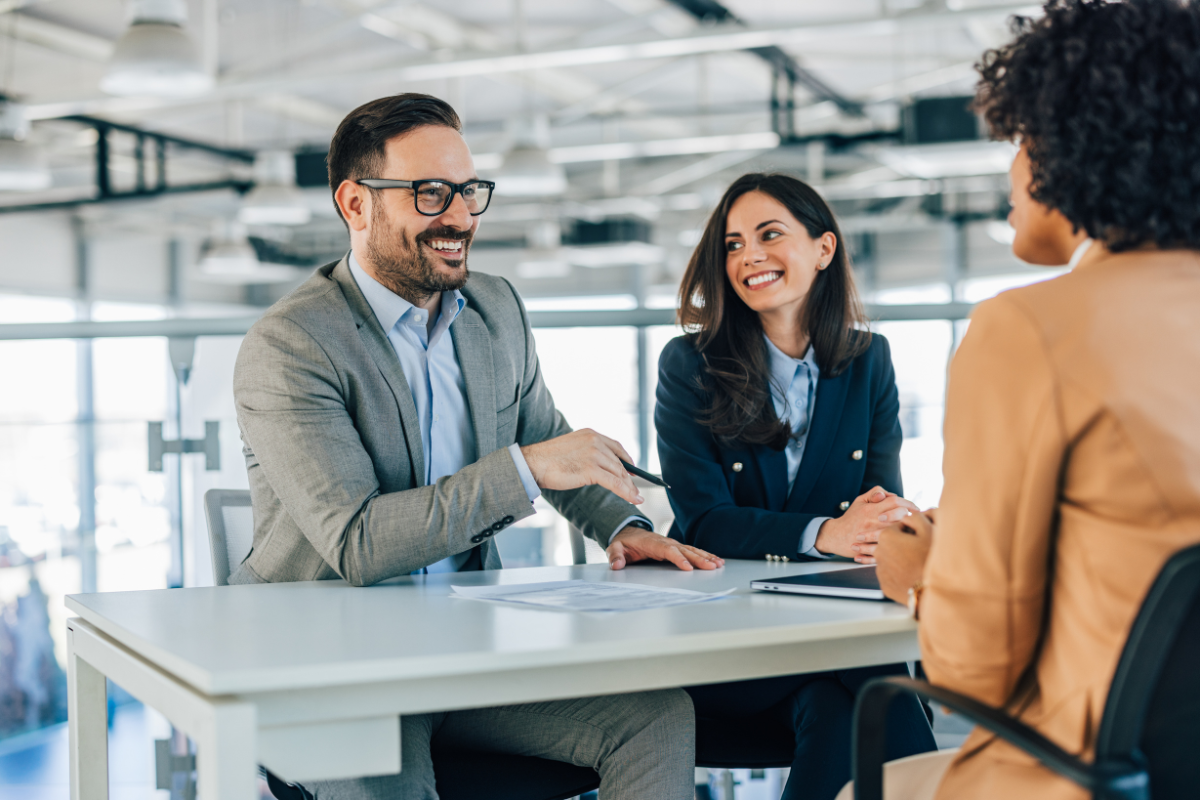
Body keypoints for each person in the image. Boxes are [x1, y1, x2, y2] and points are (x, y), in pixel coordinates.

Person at [230, 92, 723, 799]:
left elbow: (550, 445)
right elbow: (359, 543)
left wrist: (624, 526)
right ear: (355, 203)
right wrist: (525, 470)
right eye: (430, 194)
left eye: (468, 191)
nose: (459, 216)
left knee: (656, 717)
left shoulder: (495, 309)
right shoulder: (291, 346)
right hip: (331, 664)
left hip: (463, 649)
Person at [859, 1, 1200, 798]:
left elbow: (976, 669)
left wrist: (918, 575)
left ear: (1068, 147)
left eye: (1018, 141)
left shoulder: (1031, 330)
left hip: (1098, 774)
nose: (1011, 170)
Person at [654, 172, 937, 800]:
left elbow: (878, 508)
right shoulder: (689, 365)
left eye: (769, 234)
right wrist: (826, 534)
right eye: (731, 244)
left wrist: (887, 526)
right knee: (885, 689)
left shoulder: (870, 359)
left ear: (824, 250)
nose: (748, 256)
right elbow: (704, 520)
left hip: (827, 635)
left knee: (842, 709)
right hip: (728, 644)